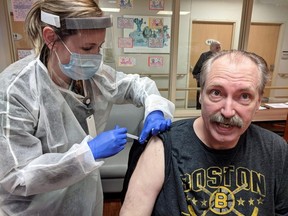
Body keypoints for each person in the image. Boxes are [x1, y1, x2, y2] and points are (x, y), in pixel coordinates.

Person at [0, 0, 175, 215]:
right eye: (87, 48)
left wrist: (155, 109)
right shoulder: (15, 90)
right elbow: (17, 176)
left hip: (84, 201)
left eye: (99, 47)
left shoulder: (92, 76)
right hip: (36, 210)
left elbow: (137, 86)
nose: (95, 57)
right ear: (50, 38)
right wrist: (87, 154)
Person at [120, 50, 288, 215]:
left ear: (258, 101)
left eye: (244, 96)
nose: (228, 111)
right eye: (216, 93)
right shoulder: (163, 146)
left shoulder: (275, 150)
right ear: (201, 95)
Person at [192, 40, 221, 109]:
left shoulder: (222, 57)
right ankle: (199, 110)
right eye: (217, 47)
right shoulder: (204, 55)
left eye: (219, 47)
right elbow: (196, 71)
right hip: (204, 80)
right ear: (211, 48)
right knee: (202, 97)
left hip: (217, 82)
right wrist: (200, 79)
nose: (219, 49)